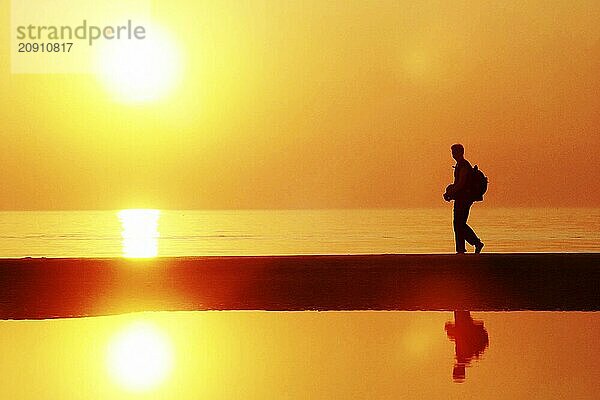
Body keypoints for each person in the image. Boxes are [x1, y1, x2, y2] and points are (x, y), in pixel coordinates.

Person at [443, 144, 484, 254]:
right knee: (458, 223)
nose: (453, 154)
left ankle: (475, 243)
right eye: (452, 152)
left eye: (454, 152)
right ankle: (461, 249)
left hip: (465, 199)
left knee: (459, 223)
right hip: (460, 198)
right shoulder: (459, 165)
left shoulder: (464, 165)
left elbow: (461, 183)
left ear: (460, 152)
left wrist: (451, 192)